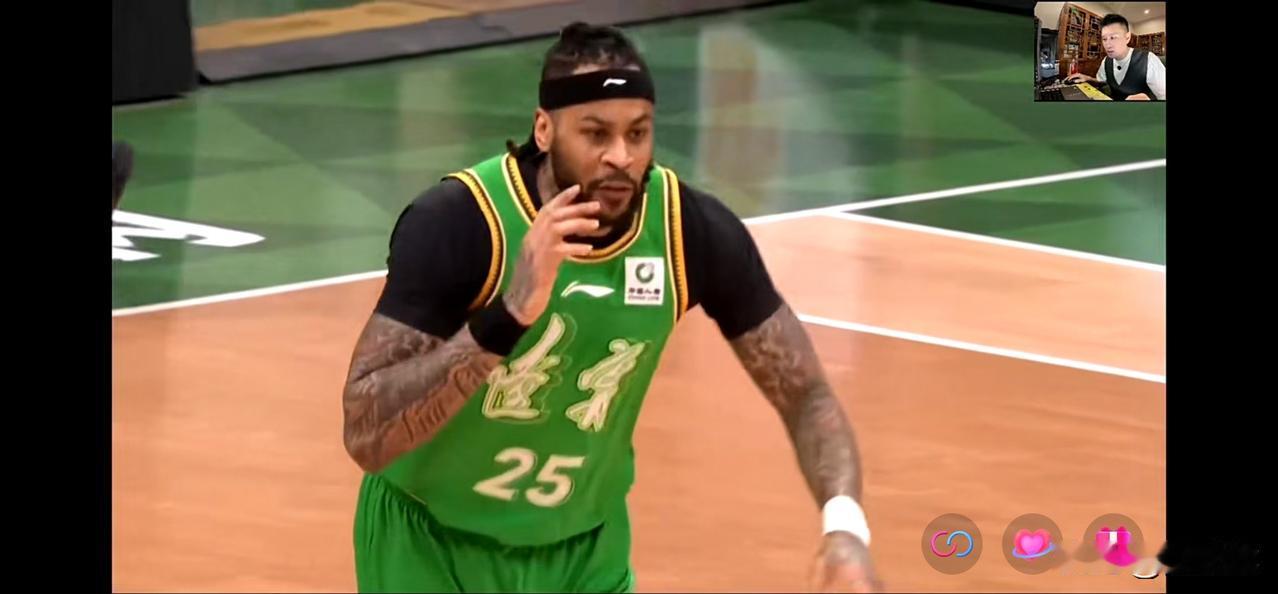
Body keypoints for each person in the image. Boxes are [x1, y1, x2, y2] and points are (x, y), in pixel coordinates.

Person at [341, 22, 878, 593]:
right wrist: (509, 314)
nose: (620, 157)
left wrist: (845, 526)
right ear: (544, 129)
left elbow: (805, 393)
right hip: (430, 543)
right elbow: (366, 433)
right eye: (595, 133)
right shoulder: (462, 223)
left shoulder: (688, 232)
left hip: (585, 551)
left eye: (637, 133)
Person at [1065, 14, 1165, 100]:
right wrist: (1087, 78)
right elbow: (1101, 80)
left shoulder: (1149, 60)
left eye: (1113, 37)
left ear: (1127, 37)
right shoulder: (1106, 61)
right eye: (1104, 39)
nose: (1108, 45)